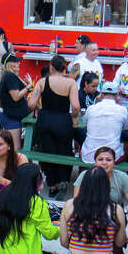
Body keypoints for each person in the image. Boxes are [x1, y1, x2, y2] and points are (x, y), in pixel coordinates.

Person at [28, 55, 80, 197]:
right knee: (64, 151)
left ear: (51, 67)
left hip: (45, 119)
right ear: (65, 68)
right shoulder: (71, 83)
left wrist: (39, 107)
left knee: (46, 151)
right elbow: (75, 106)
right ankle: (63, 180)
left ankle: (51, 184)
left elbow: (31, 104)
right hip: (63, 120)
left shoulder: (42, 82)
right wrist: (74, 117)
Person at [80, 82, 128, 163]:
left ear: (101, 94)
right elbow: (127, 127)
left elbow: (85, 124)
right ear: (117, 95)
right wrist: (120, 104)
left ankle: (83, 174)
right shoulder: (122, 110)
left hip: (89, 155)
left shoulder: (91, 108)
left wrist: (97, 102)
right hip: (112, 156)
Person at [0, 53, 32, 149]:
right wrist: (29, 86)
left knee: (15, 147)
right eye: (16, 62)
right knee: (15, 149)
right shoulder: (10, 76)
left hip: (12, 116)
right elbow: (16, 97)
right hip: (11, 118)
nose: (19, 63)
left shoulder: (10, 76)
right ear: (11, 64)